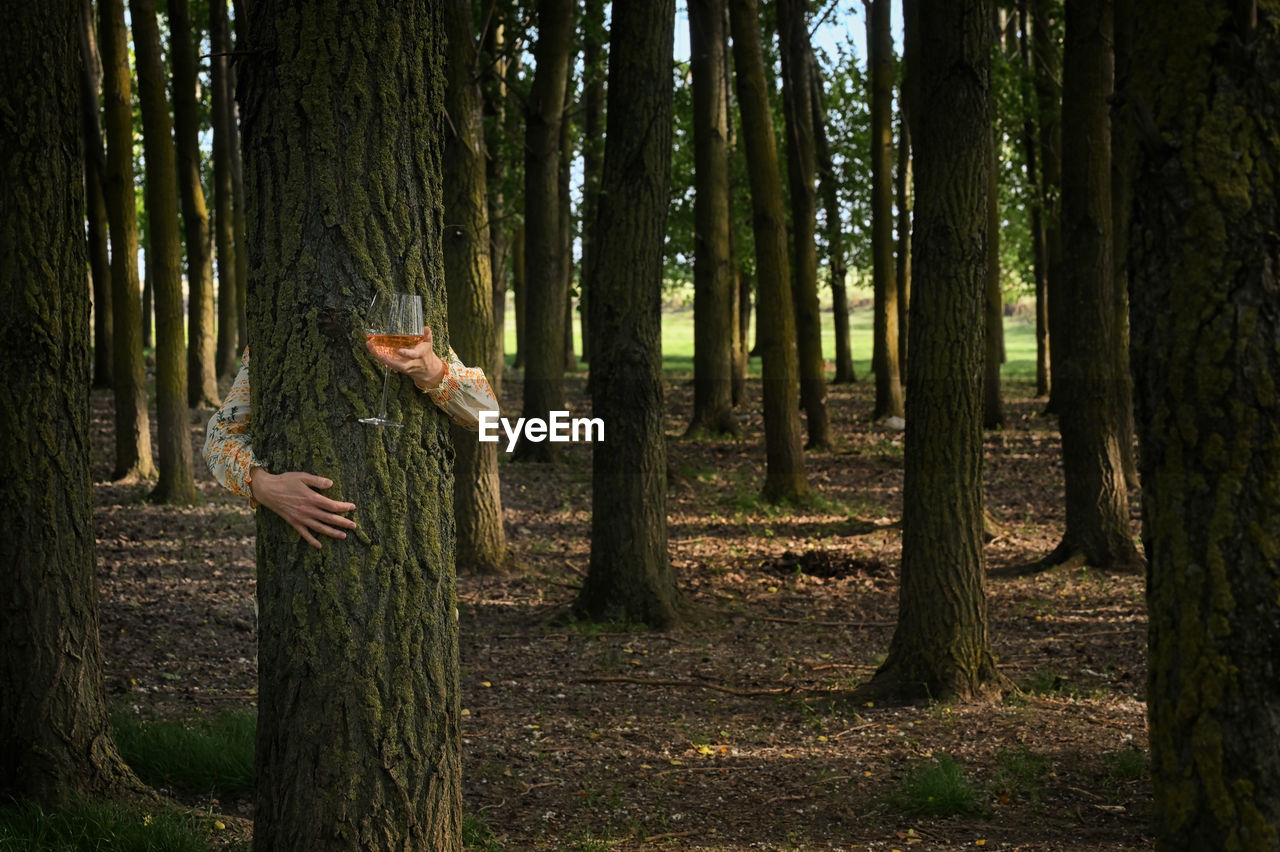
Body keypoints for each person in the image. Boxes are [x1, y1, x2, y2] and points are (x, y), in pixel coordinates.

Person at [204, 326, 498, 548]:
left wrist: (433, 370)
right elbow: (219, 437)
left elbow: (487, 415)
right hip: (301, 559)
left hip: (412, 548)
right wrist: (262, 484)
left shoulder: (412, 335)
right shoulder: (276, 337)